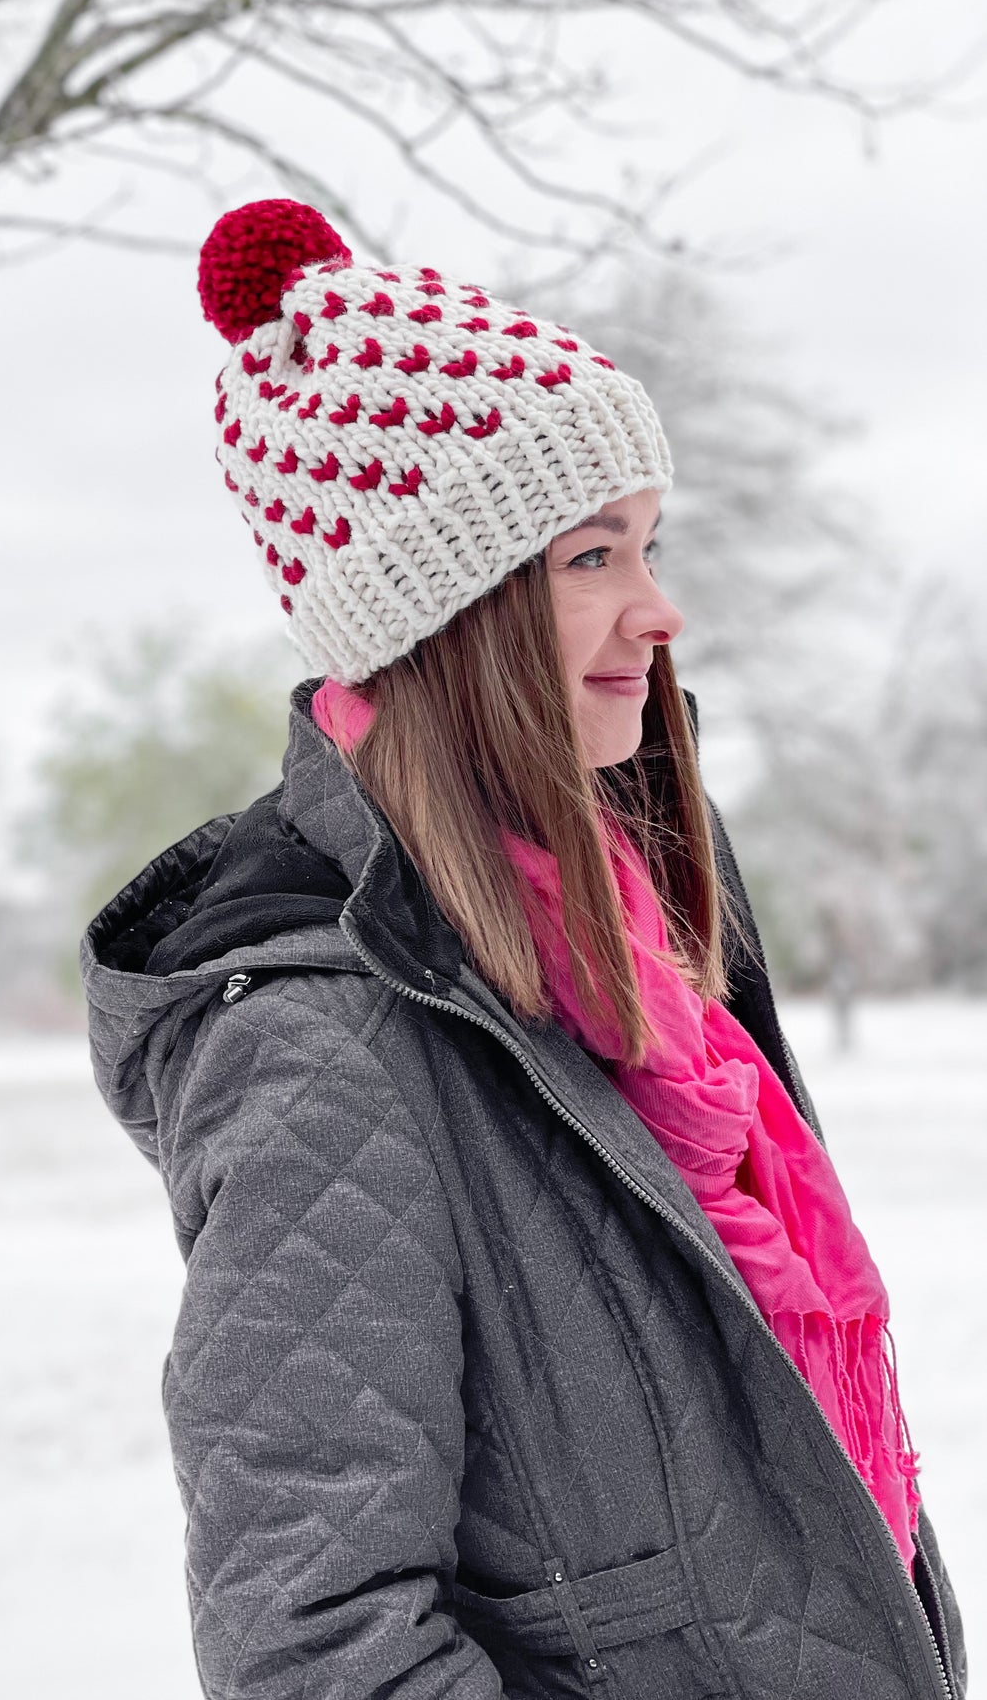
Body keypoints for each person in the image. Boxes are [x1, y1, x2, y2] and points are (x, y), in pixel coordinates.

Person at [82, 199, 965, 1699]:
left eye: (648, 546)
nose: (658, 610)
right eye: (589, 558)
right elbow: (314, 1644)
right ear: (449, 613)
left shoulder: (635, 939)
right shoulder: (320, 1051)